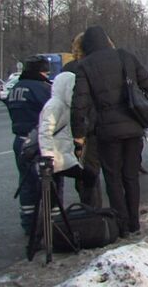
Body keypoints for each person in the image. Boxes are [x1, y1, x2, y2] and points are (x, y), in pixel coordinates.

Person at [71, 25, 148, 237]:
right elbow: (147, 85)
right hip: (133, 127)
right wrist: (140, 109)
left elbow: (79, 104)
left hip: (106, 130)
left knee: (113, 177)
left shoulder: (85, 66)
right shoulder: (125, 56)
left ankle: (122, 224)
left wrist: (79, 135)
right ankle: (134, 223)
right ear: (107, 40)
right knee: (130, 176)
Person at [39, 71, 101, 207]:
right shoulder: (55, 106)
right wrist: (48, 157)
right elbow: (45, 132)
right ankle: (88, 209)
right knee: (88, 176)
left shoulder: (65, 106)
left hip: (62, 155)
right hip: (55, 157)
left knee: (55, 190)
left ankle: (56, 217)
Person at [6, 55, 52, 234]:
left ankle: (28, 223)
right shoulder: (42, 89)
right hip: (37, 140)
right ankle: (51, 224)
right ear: (40, 71)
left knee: (26, 183)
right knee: (49, 182)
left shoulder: (16, 88)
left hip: (19, 140)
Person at [61, 32, 103, 208]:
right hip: (99, 125)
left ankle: (91, 212)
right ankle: (98, 216)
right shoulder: (99, 66)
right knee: (96, 173)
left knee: (85, 174)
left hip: (78, 127)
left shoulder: (70, 68)